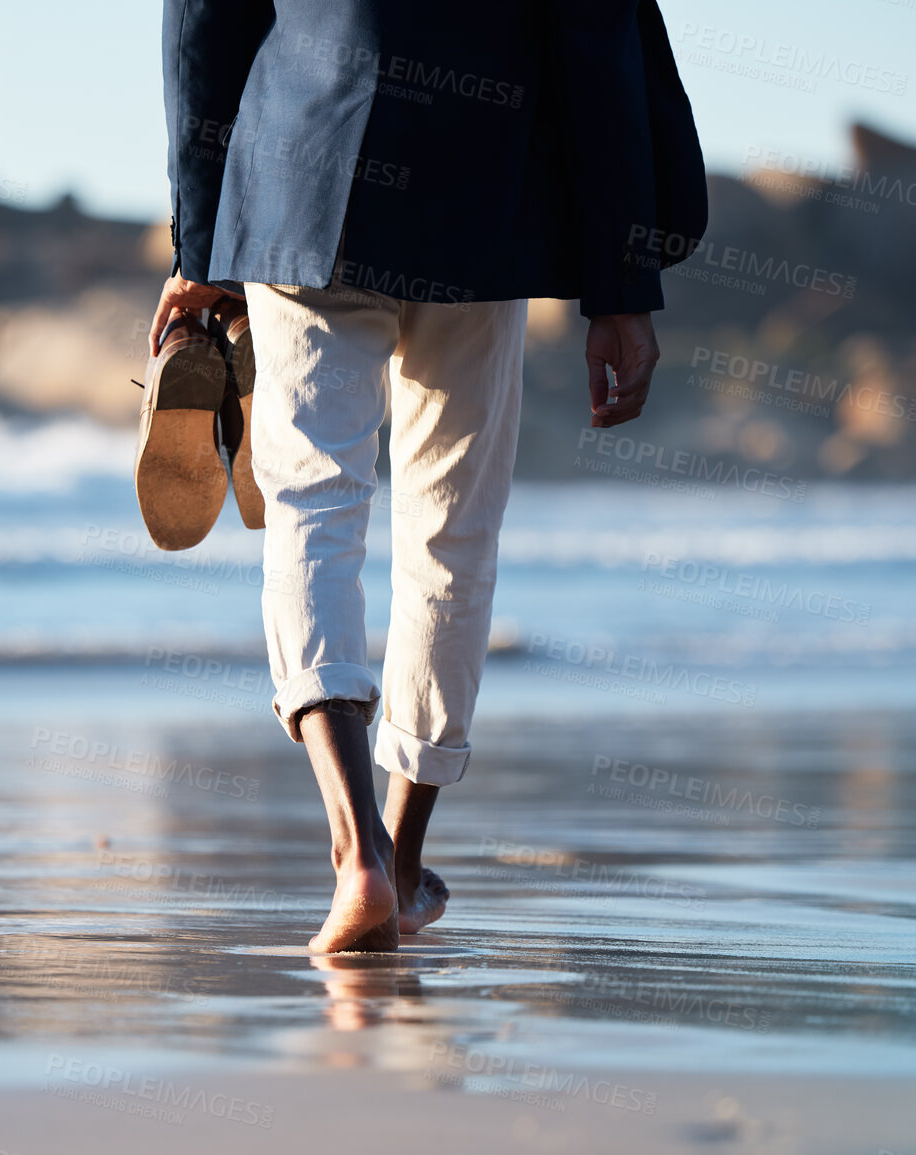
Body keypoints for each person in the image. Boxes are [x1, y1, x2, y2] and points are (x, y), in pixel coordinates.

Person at [144, 0, 706, 952]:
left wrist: (200, 249)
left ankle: (352, 848)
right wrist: (622, 290)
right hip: (479, 194)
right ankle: (401, 860)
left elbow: (202, 22)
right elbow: (592, 34)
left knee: (313, 501)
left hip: (299, 173)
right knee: (452, 531)